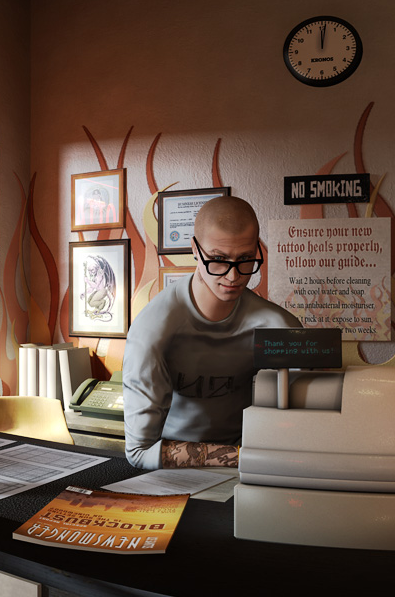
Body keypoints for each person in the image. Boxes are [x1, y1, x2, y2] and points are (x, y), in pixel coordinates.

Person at [115, 196, 304, 470]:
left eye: (245, 259)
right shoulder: (153, 330)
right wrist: (244, 456)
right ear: (195, 249)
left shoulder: (279, 327)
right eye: (218, 259)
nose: (233, 276)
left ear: (257, 249)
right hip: (171, 472)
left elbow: (303, 426)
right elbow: (139, 452)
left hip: (250, 471)